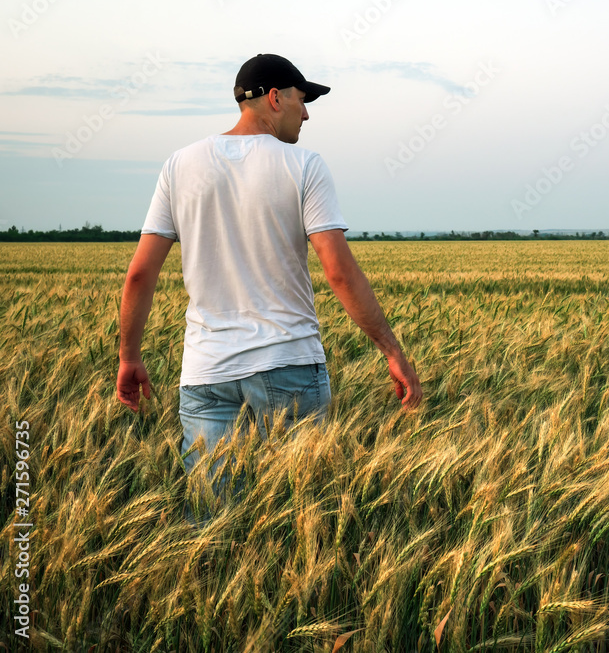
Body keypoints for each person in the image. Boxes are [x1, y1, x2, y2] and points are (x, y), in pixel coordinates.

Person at [116, 53, 422, 490]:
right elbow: (338, 271)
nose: (308, 112)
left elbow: (139, 276)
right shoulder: (304, 165)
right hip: (288, 364)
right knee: (303, 518)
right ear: (275, 98)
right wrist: (392, 351)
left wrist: (129, 356)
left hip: (206, 374)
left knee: (210, 520)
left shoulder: (179, 165)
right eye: (303, 99)